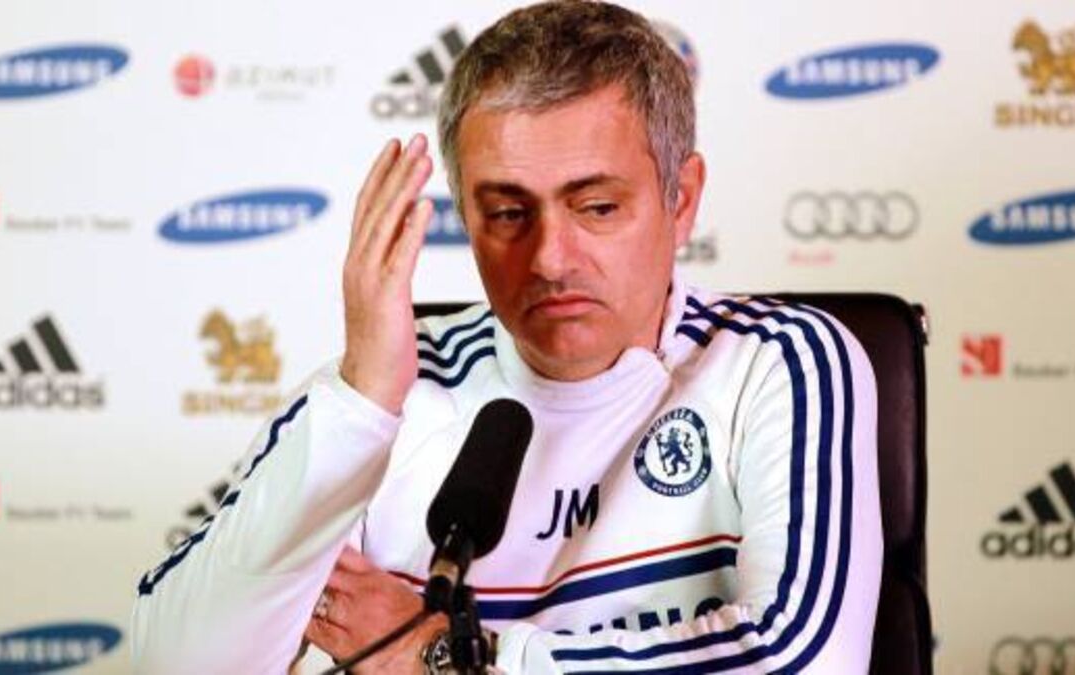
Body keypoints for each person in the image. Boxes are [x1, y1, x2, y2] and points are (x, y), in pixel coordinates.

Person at [131, 1, 882, 672]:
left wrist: (445, 655)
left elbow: (804, 661)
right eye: (508, 214)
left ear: (680, 201)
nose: (551, 259)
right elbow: (174, 664)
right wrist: (361, 406)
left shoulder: (777, 361)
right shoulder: (383, 395)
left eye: (596, 207)